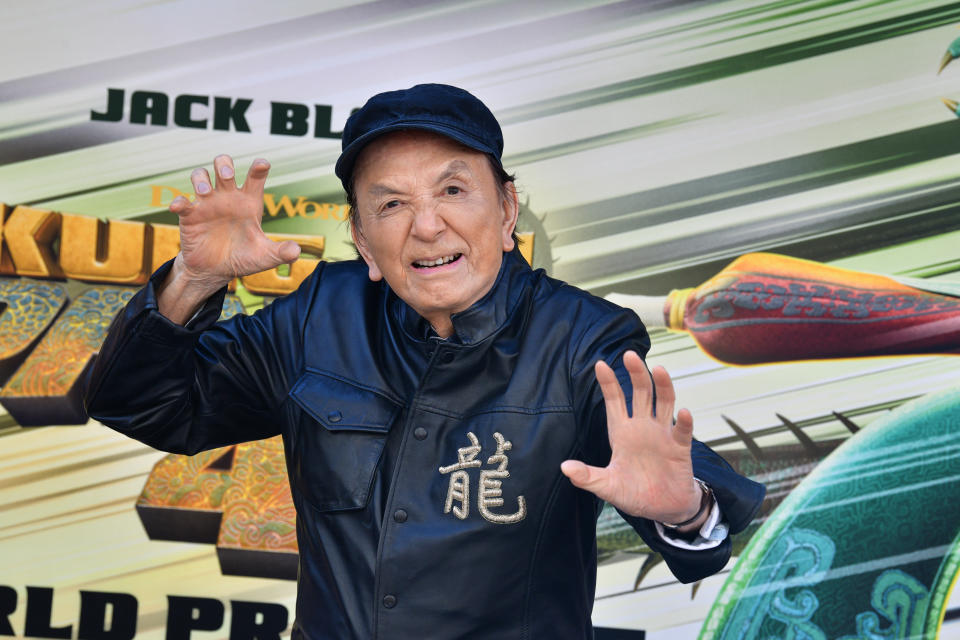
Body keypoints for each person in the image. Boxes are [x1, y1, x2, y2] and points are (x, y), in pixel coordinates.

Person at [85, 84, 764, 639]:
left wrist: (685, 512)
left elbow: (689, 512)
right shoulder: (320, 313)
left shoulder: (583, 337)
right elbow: (146, 404)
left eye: (452, 191)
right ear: (362, 240)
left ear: (505, 211)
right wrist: (194, 282)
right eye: (392, 204)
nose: (428, 226)